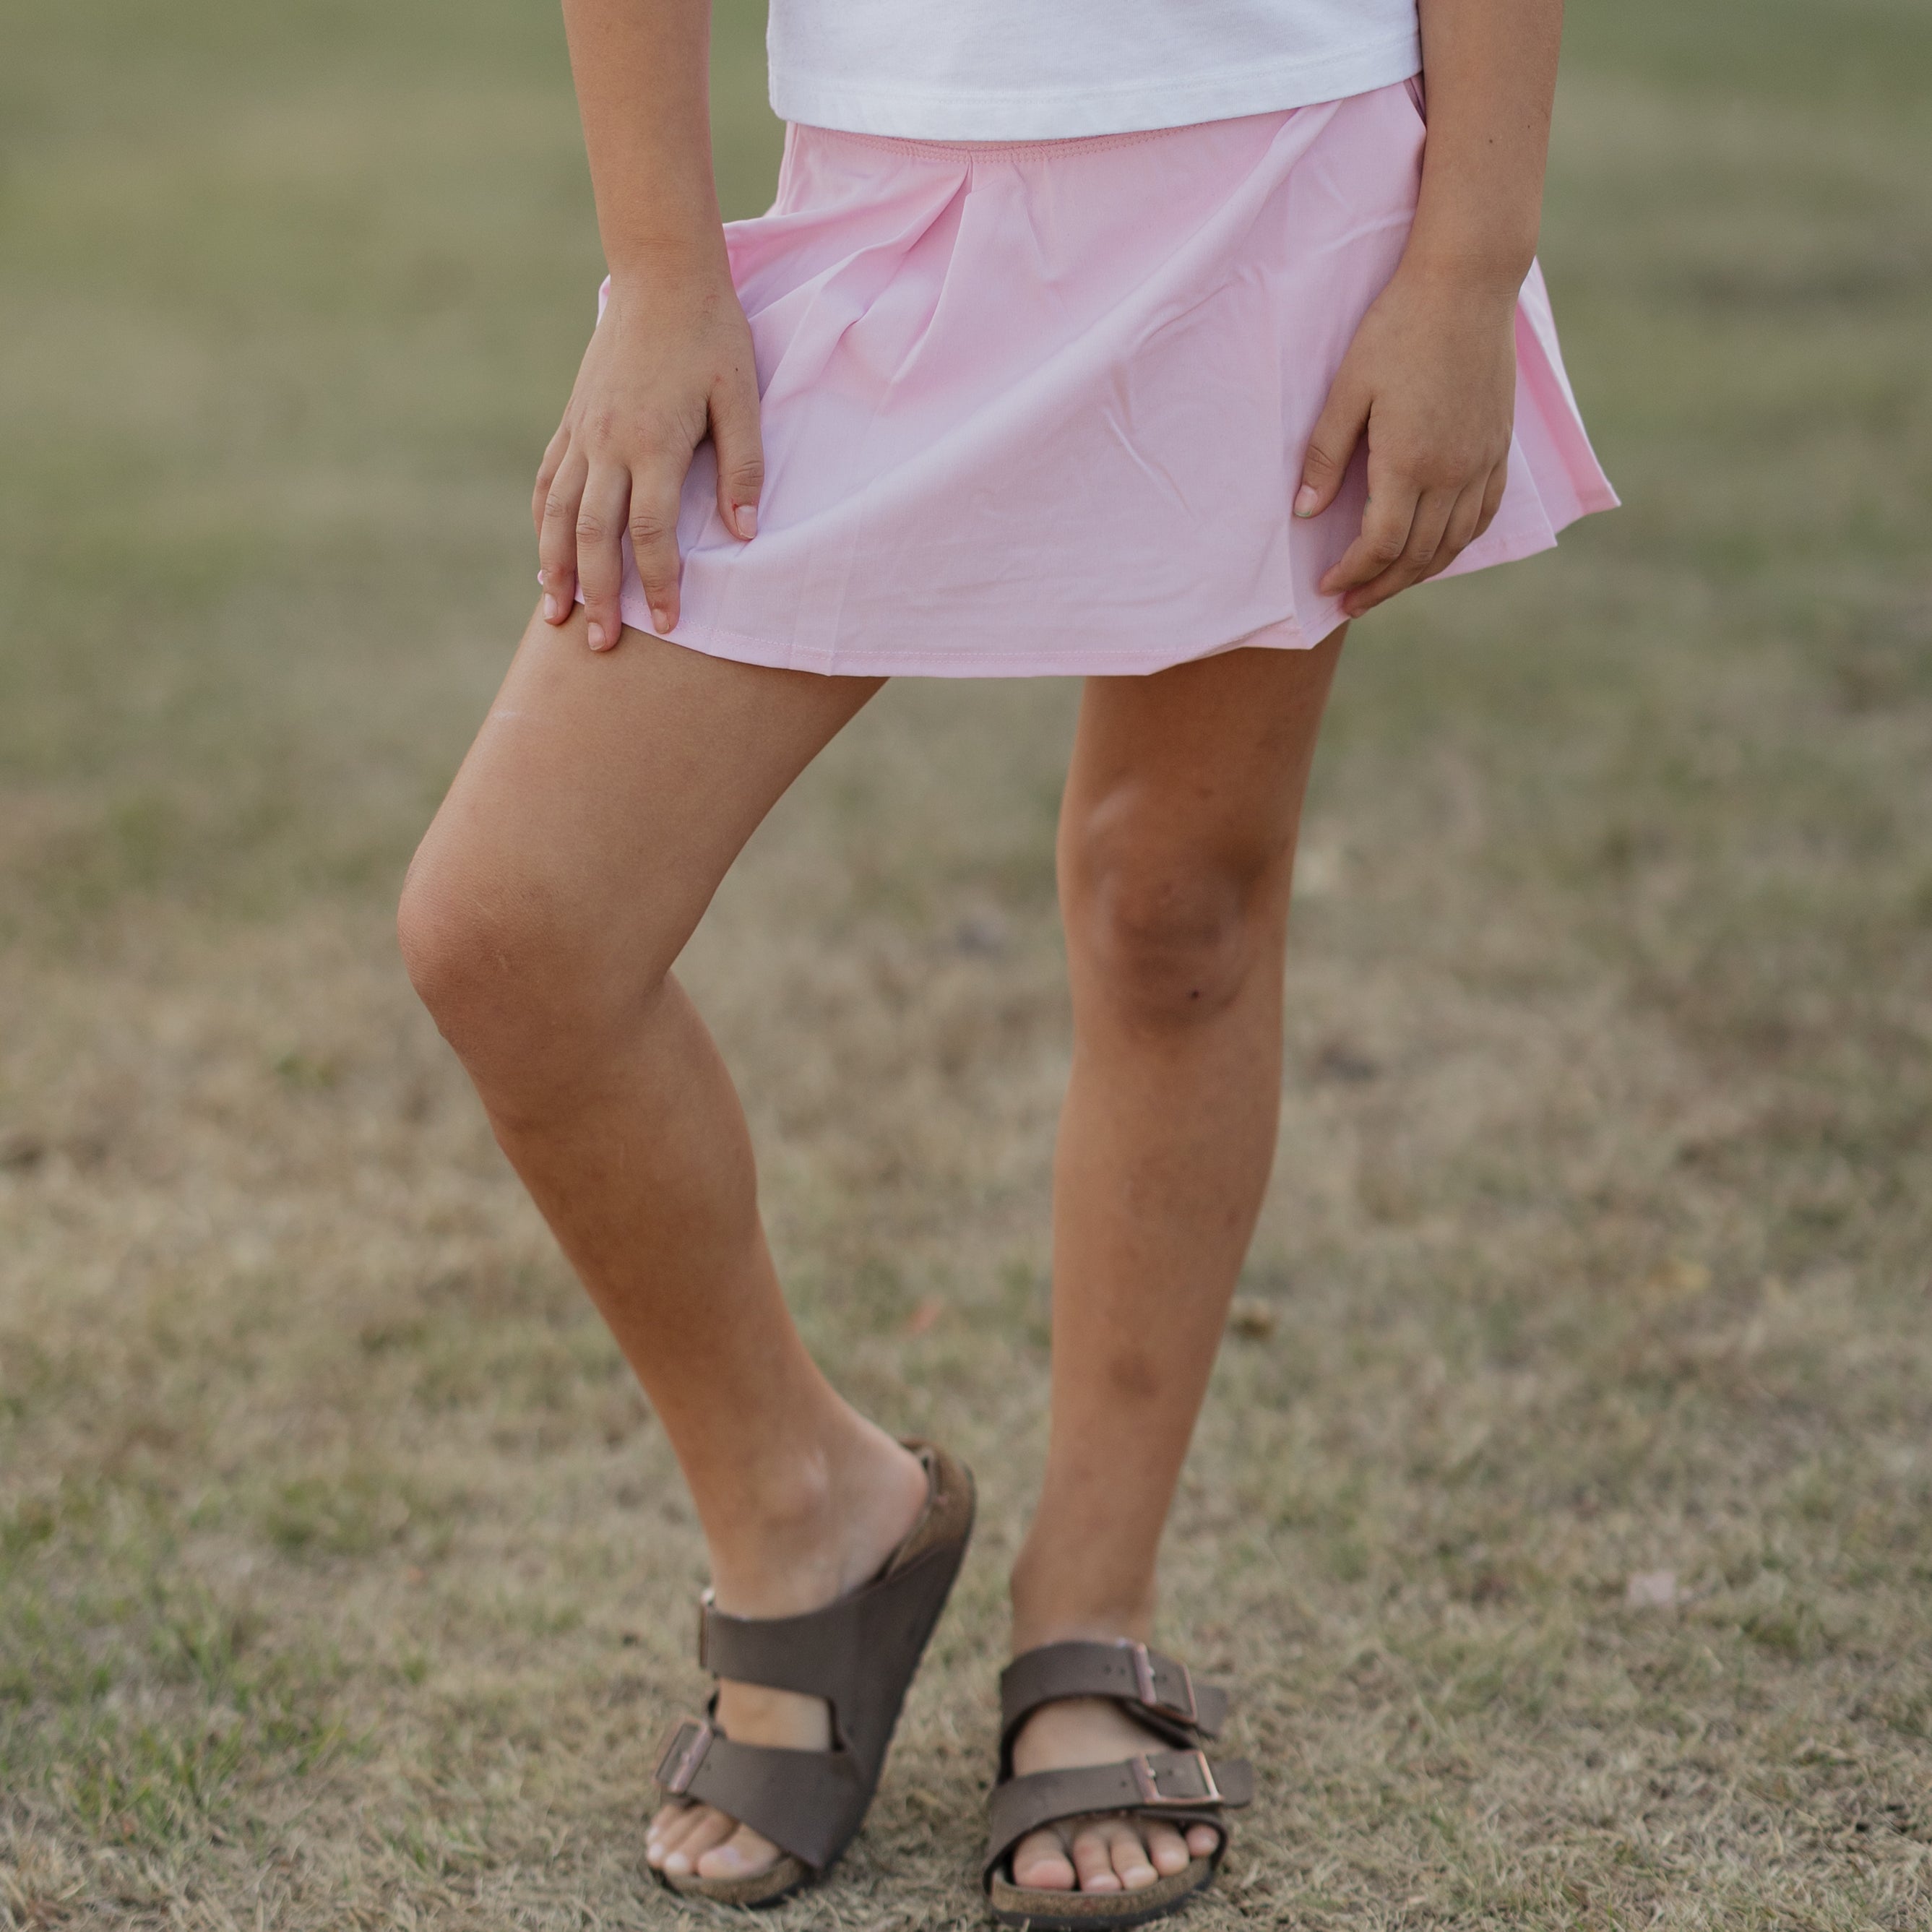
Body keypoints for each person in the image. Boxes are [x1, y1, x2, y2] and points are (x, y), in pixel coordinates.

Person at [396, 0, 1615, 1919]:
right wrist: (655, 266)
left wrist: (1466, 260)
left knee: (1174, 909)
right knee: (512, 924)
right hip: (883, 204)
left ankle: (1091, 1608)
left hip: (1273, 183)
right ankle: (810, 1516)